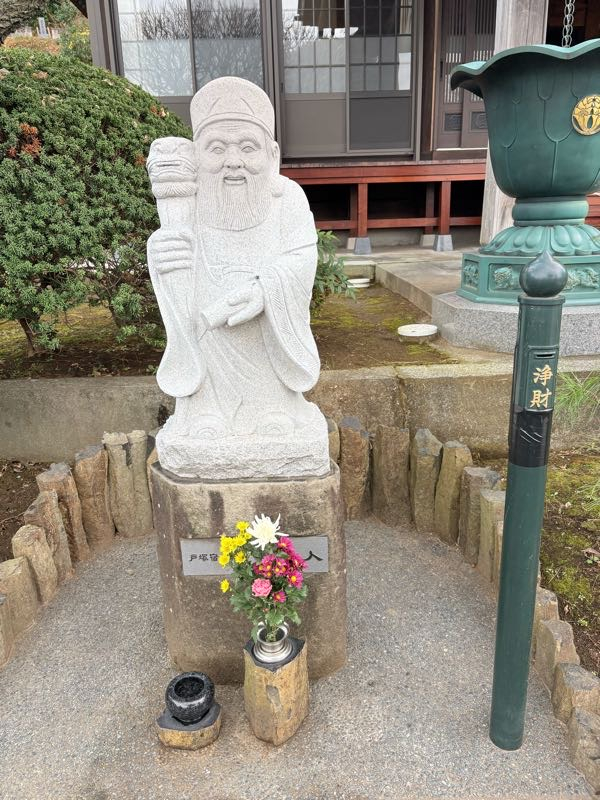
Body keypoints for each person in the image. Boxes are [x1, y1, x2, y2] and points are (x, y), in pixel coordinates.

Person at [147, 77, 329, 480]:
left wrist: (266, 290)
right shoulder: (187, 206)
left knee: (270, 386)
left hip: (266, 336)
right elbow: (173, 272)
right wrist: (162, 257)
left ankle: (274, 408)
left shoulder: (289, 199)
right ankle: (205, 412)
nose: (233, 161)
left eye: (247, 147)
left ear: (272, 154)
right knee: (206, 338)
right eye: (216, 148)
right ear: (197, 155)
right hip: (209, 340)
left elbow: (301, 257)